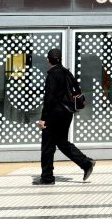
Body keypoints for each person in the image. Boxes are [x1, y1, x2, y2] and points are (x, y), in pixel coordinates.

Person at [33, 48, 96, 185]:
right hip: (67, 114)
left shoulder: (52, 75)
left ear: (49, 60)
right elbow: (78, 91)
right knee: (61, 142)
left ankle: (47, 178)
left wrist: (43, 119)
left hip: (54, 114)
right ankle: (86, 163)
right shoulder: (67, 72)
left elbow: (49, 99)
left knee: (48, 145)